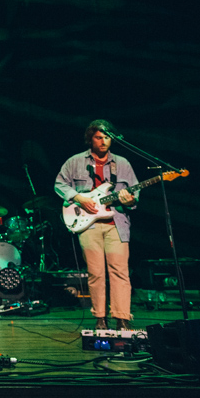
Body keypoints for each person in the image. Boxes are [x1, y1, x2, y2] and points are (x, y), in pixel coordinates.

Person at [54, 119, 138, 330]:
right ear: (90, 139)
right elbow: (59, 184)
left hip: (116, 223)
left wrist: (131, 199)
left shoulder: (123, 163)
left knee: (120, 272)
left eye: (107, 137)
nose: (103, 141)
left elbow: (134, 190)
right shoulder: (75, 161)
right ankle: (100, 317)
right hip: (88, 225)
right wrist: (79, 198)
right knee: (96, 272)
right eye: (99, 137)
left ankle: (122, 318)